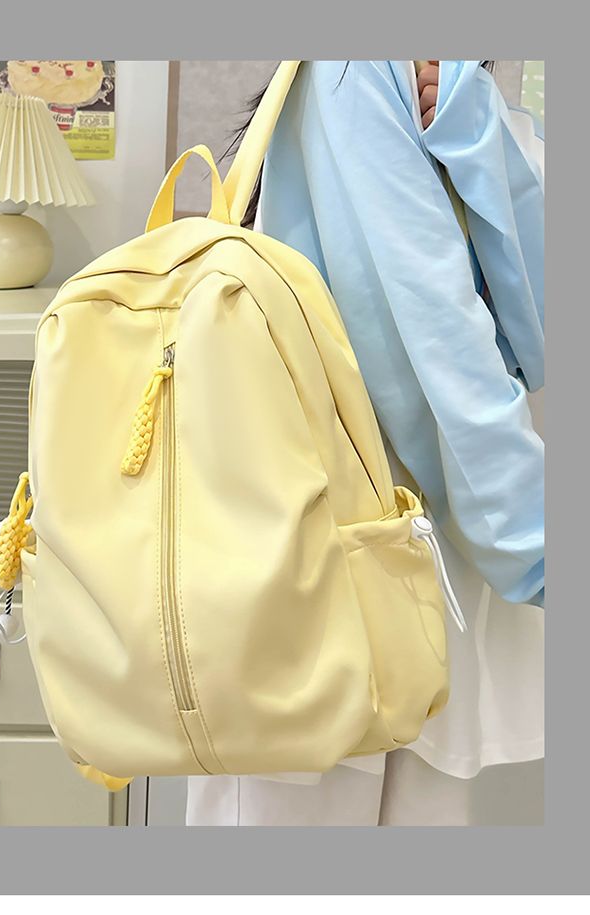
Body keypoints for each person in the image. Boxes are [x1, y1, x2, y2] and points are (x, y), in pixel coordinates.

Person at [186, 60, 545, 826]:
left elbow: (539, 332)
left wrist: (478, 131)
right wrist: (537, 547)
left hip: (413, 576)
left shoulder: (459, 88)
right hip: (331, 570)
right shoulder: (355, 70)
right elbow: (432, 354)